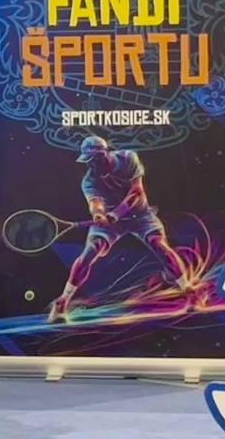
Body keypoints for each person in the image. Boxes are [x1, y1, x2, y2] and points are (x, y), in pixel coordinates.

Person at [46, 137, 186, 321]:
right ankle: (63, 301)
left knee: (158, 244)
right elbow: (95, 203)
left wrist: (115, 215)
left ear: (105, 153)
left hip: (140, 216)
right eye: (88, 161)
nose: (92, 165)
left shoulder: (128, 158)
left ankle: (188, 289)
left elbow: (136, 192)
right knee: (91, 251)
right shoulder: (89, 180)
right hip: (111, 223)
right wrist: (98, 215)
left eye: (95, 159)